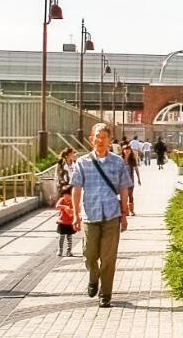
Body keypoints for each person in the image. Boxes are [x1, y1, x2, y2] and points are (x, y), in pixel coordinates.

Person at [70, 123, 134, 308]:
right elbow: (76, 189)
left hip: (112, 216)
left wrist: (124, 214)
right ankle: (93, 277)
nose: (100, 140)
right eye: (97, 137)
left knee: (108, 258)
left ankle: (105, 294)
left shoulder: (118, 162)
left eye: (104, 137)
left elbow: (123, 188)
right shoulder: (82, 162)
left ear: (109, 140)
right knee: (89, 254)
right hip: (90, 215)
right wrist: (75, 214)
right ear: (91, 139)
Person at [55, 184, 77, 257]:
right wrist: (65, 207)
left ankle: (69, 251)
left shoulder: (73, 201)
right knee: (61, 237)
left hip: (70, 223)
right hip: (62, 222)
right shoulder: (62, 200)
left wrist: (71, 210)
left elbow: (75, 210)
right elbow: (57, 206)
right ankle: (60, 250)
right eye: (64, 194)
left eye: (68, 195)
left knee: (69, 238)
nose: (66, 196)